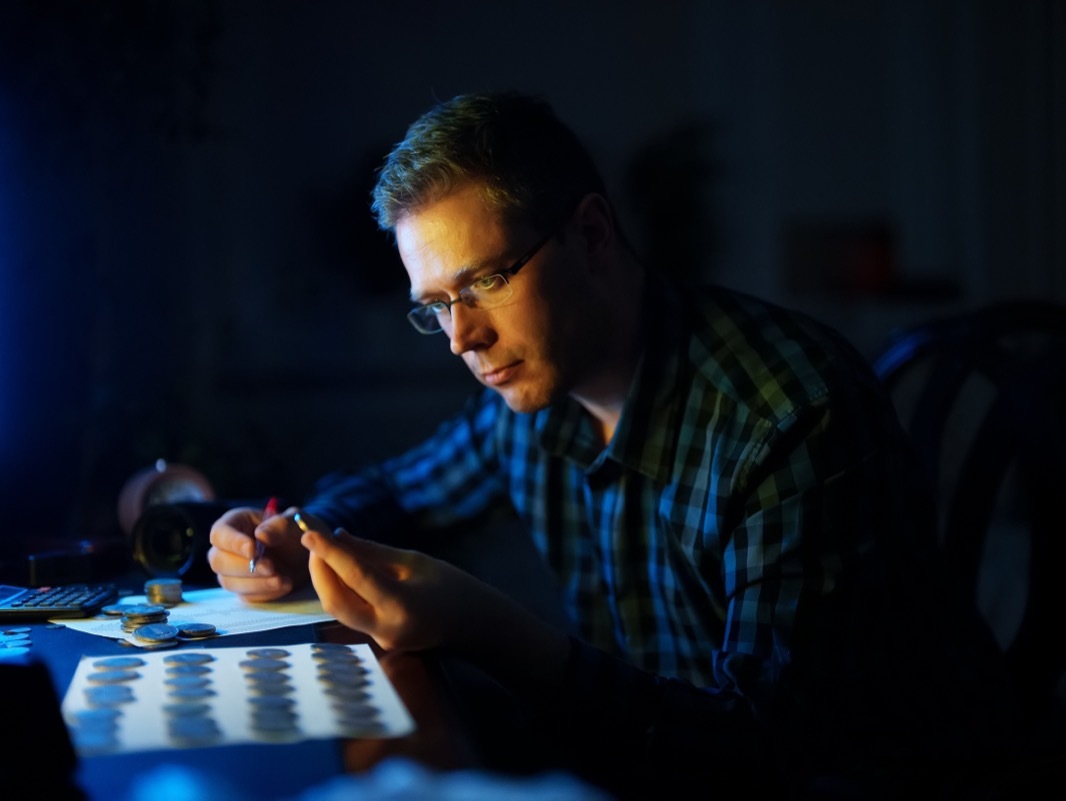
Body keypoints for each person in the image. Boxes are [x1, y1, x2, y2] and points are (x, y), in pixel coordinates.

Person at [208, 91, 1014, 799]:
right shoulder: (526, 398)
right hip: (646, 767)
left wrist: (490, 627)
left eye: (486, 280)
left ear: (592, 233)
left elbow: (772, 753)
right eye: (437, 305)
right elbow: (399, 489)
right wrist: (293, 531)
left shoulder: (792, 414)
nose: (462, 337)